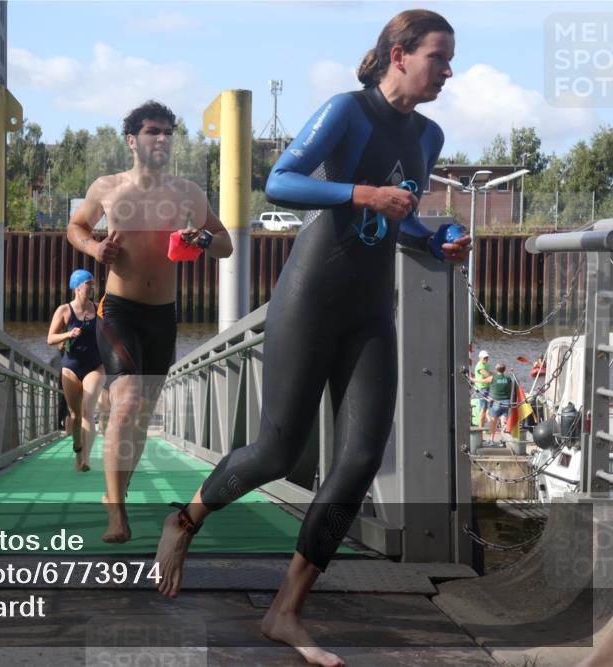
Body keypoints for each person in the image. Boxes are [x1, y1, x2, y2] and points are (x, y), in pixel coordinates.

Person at [152, 10, 469, 667]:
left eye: (450, 59)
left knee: (358, 459)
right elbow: (281, 181)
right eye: (439, 57)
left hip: (370, 308)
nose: (447, 71)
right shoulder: (347, 111)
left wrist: (437, 236)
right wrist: (362, 192)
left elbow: (402, 217)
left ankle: (285, 610)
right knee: (275, 449)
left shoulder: (429, 135)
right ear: (398, 54)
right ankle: (182, 521)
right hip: (311, 296)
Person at [67, 101, 233, 542]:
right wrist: (95, 250)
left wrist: (202, 237)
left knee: (139, 415)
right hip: (118, 311)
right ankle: (117, 514)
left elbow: (225, 244)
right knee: (125, 402)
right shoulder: (108, 187)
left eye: (168, 132)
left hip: (163, 315)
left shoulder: (188, 193)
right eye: (152, 131)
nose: (161, 139)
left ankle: (115, 491)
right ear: (131, 139)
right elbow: (76, 227)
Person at [47, 270, 105, 472]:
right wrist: (68, 335)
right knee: (75, 415)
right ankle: (79, 452)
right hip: (71, 367)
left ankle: (86, 459)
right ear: (77, 286)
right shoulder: (64, 310)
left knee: (89, 409)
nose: (92, 287)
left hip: (95, 366)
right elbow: (50, 338)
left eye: (93, 283)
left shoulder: (99, 309)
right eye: (88, 283)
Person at [488, 362, 513, 443]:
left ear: (496, 369)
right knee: (503, 424)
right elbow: (512, 389)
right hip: (506, 403)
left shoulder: (493, 378)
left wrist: (471, 379)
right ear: (504, 370)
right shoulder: (509, 379)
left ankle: (491, 439)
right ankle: (503, 441)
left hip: (496, 403)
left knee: (493, 422)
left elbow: (481, 381)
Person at [471, 350, 492, 428]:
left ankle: (487, 424)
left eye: (487, 358)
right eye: (484, 358)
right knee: (483, 409)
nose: (486, 359)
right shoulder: (480, 366)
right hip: (482, 389)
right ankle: (481, 428)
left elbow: (489, 374)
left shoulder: (485, 365)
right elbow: (487, 375)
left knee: (485, 408)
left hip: (485, 388)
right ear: (480, 358)